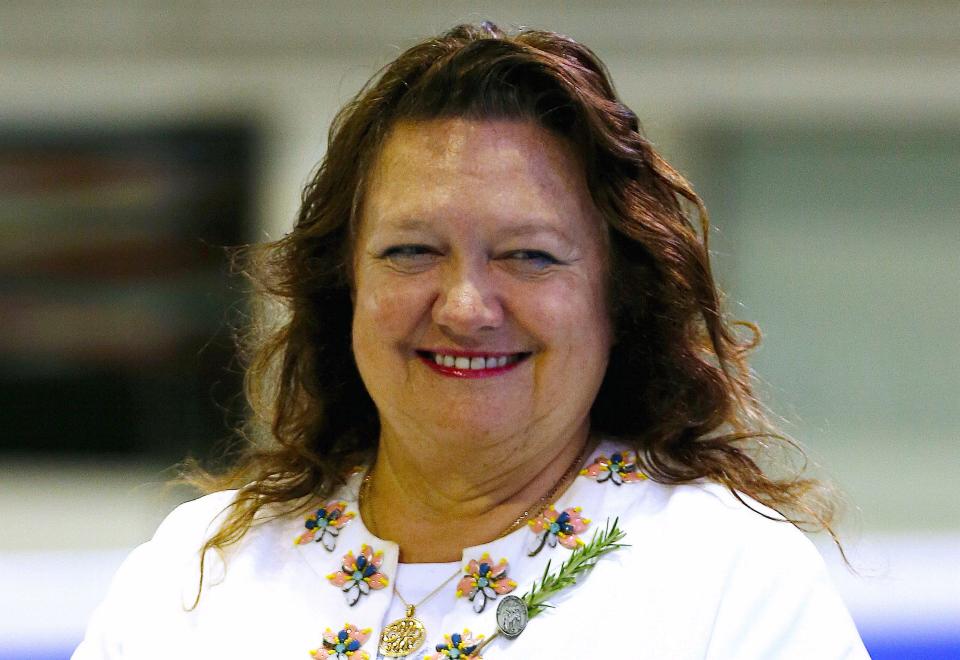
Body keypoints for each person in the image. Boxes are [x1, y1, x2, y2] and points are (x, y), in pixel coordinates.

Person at [75, 22, 868, 659]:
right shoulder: (199, 573)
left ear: (618, 297)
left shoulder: (730, 580)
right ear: (344, 283)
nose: (464, 306)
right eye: (412, 251)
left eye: (528, 255)